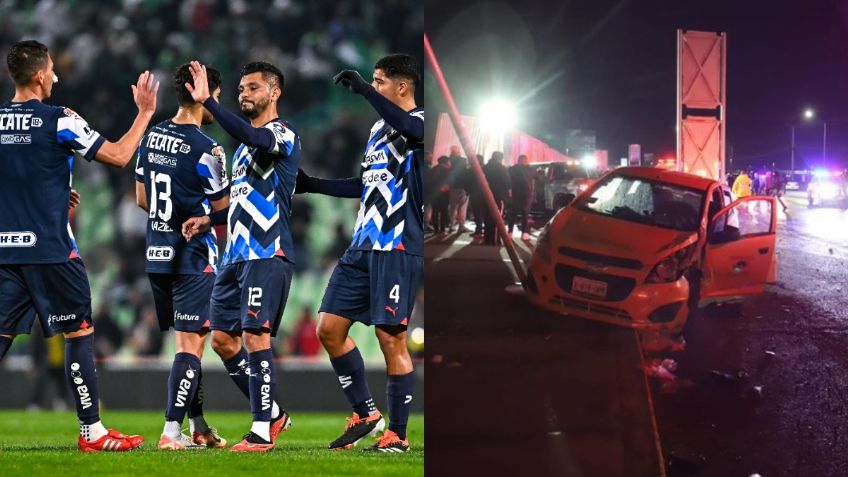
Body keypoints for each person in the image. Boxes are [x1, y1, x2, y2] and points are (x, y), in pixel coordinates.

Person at [0, 39, 156, 452]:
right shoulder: (60, 120)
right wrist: (144, 114)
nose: (56, 76)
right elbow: (121, 156)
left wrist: (48, 192)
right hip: (52, 251)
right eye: (51, 70)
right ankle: (92, 431)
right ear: (38, 76)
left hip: (6, 252)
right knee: (79, 332)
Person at [295, 53, 423, 453]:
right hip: (361, 247)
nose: (374, 85)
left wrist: (365, 91)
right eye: (373, 80)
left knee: (391, 340)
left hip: (397, 245)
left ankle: (398, 436)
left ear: (401, 86)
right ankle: (367, 414)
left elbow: (408, 127)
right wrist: (313, 184)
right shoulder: (378, 129)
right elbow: (366, 184)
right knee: (329, 330)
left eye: (381, 80)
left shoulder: (420, 122)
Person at [181, 60, 296, 452]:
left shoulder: (282, 134)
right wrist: (207, 218)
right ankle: (275, 412)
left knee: (253, 335)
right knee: (223, 341)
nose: (244, 94)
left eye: (252, 88)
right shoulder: (245, 150)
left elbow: (254, 135)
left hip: (267, 252)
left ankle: (262, 429)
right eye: (240, 89)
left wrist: (209, 104)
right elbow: (240, 203)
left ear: (273, 92)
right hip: (234, 257)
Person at [135, 63, 230, 450]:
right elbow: (223, 210)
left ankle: (200, 427)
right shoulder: (207, 148)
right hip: (193, 257)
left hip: (156, 253)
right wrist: (199, 218)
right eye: (216, 98)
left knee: (189, 345)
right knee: (191, 346)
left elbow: (141, 199)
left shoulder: (152, 135)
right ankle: (171, 432)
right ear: (205, 95)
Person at [483, 151, 511, 245]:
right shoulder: (501, 168)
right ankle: (495, 239)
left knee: (487, 217)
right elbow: (507, 182)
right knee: (497, 218)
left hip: (486, 196)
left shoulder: (485, 167)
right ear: (500, 158)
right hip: (498, 195)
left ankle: (487, 238)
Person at [508, 154, 536, 241]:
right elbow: (540, 178)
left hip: (516, 194)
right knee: (525, 214)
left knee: (513, 214)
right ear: (525, 161)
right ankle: (524, 233)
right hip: (527, 194)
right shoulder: (530, 170)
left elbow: (508, 180)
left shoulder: (511, 169)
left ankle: (509, 232)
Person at [447, 147, 469, 233]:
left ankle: (451, 225)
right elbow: (466, 173)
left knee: (453, 207)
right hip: (462, 187)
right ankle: (461, 226)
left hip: (453, 187)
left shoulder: (449, 161)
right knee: (462, 207)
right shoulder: (463, 160)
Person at [430, 156, 452, 236]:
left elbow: (430, 181)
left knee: (435, 211)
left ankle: (436, 229)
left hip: (434, 193)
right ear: (446, 162)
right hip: (444, 194)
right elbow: (450, 181)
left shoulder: (433, 169)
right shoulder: (447, 170)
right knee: (443, 211)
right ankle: (442, 230)